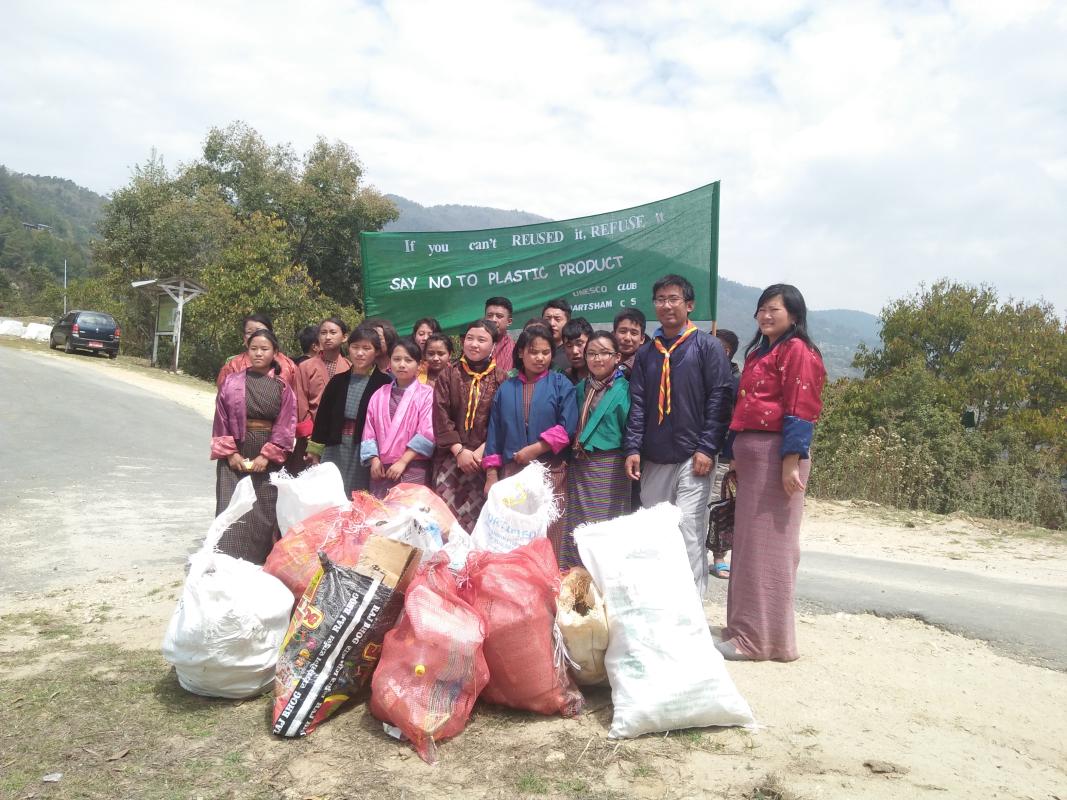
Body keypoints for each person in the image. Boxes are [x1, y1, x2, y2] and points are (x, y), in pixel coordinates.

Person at [717, 285, 826, 663]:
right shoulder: (763, 351)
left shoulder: (798, 351)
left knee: (770, 550)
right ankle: (744, 629)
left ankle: (761, 640)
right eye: (761, 309)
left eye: (774, 310)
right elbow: (745, 406)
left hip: (777, 455)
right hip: (754, 456)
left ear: (794, 315)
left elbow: (801, 407)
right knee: (748, 547)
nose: (765, 316)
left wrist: (789, 461)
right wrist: (734, 454)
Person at [623, 274, 733, 597]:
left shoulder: (708, 347)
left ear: (689, 305)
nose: (667, 305)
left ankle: (691, 608)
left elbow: (720, 400)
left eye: (674, 299)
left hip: (693, 455)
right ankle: (658, 601)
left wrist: (707, 447)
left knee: (688, 530)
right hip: (655, 455)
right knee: (655, 530)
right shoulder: (647, 353)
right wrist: (632, 447)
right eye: (660, 299)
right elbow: (639, 403)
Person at [483, 324, 577, 560]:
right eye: (534, 352)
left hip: (551, 471)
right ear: (521, 352)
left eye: (546, 352)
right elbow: (495, 433)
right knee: (512, 530)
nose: (540, 358)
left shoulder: (561, 384)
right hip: (513, 472)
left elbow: (568, 427)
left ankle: (549, 585)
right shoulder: (506, 388)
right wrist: (491, 475)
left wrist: (536, 449)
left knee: (549, 529)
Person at [211, 328, 297, 564]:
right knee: (231, 505)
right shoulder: (231, 382)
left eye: (264, 349)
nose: (258, 353)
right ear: (247, 351)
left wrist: (267, 456)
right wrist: (230, 454)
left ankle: (256, 561)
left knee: (262, 510)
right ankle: (224, 560)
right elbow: (221, 419)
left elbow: (285, 426)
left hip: (265, 456)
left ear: (275, 353)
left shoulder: (282, 387)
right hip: (235, 453)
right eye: (254, 348)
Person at [561, 331, 631, 569]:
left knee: (605, 523)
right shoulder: (581, 388)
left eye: (604, 353)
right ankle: (574, 578)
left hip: (610, 466)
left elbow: (630, 428)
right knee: (577, 521)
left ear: (617, 357)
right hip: (580, 464)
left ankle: (604, 580)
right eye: (592, 353)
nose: (597, 359)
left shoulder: (625, 389)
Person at [432, 319, 507, 530]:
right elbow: (440, 416)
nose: (474, 344)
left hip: (484, 460)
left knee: (479, 522)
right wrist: (459, 452)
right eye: (470, 338)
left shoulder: (502, 379)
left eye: (482, 340)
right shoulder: (448, 375)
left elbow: (501, 421)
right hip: (450, 457)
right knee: (445, 520)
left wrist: (480, 452)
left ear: (493, 345)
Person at [307, 324, 391, 496]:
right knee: (331, 496)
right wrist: (315, 452)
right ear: (349, 349)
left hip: (365, 449)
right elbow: (323, 419)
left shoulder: (383, 383)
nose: (360, 353)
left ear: (376, 352)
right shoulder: (337, 381)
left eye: (366, 348)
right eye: (355, 347)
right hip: (335, 446)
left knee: (359, 496)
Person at [361, 338, 436, 498]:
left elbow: (427, 432)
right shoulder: (379, 393)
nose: (402, 364)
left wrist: (403, 461)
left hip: (413, 466)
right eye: (397, 359)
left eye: (408, 360)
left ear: (419, 365)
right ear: (390, 362)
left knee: (409, 515)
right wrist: (374, 460)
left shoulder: (426, 394)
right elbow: (369, 430)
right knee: (381, 516)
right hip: (381, 469)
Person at [710, 327, 741, 579]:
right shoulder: (701, 372)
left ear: (726, 351)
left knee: (720, 506)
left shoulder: (736, 381)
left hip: (724, 455)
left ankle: (719, 557)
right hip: (697, 450)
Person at [295, 317, 352, 454]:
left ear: (344, 337)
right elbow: (300, 403)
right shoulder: (305, 367)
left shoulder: (349, 367)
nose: (327, 337)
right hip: (312, 435)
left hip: (341, 436)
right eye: (323, 333)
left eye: (333, 332)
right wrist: (310, 435)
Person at [216, 313, 300, 391]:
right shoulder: (233, 365)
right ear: (244, 338)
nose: (254, 336)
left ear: (271, 335)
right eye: (249, 332)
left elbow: (296, 400)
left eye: (259, 331)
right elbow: (223, 397)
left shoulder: (289, 366)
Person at [612, 308, 647, 379]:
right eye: (623, 331)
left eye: (634, 333)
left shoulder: (647, 366)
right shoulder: (603, 362)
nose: (627, 338)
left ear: (642, 339)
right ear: (614, 334)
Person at [484, 297, 515, 373]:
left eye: (499, 316)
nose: (493, 320)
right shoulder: (475, 344)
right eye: (490, 315)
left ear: (509, 321)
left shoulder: (514, 350)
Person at [541, 298, 572, 372]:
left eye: (557, 319)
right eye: (547, 319)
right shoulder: (534, 351)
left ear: (568, 322)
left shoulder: (573, 352)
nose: (552, 324)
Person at [561, 317, 593, 384]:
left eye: (579, 344)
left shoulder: (604, 377)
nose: (574, 351)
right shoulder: (562, 380)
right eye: (569, 346)